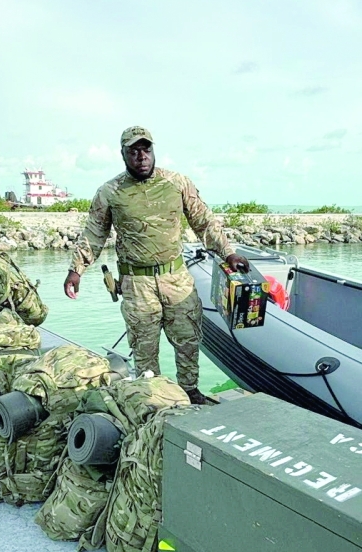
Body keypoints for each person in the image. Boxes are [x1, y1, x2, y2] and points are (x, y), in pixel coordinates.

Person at [64, 126, 249, 405]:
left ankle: (191, 391)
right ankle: (153, 399)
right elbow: (94, 234)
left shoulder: (177, 183)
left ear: (153, 151)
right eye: (134, 151)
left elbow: (204, 222)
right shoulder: (109, 192)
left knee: (188, 339)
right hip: (136, 285)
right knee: (144, 348)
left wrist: (228, 253)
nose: (141, 156)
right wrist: (76, 269)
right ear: (123, 154)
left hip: (176, 277)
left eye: (146, 149)